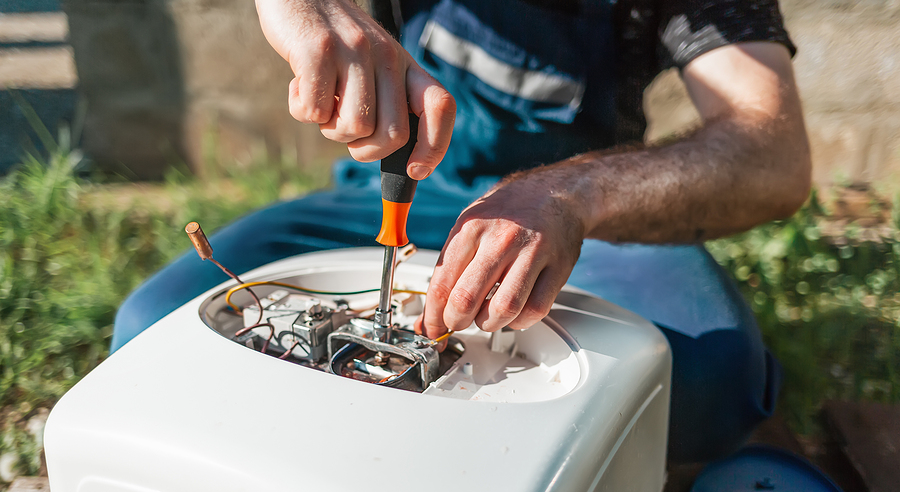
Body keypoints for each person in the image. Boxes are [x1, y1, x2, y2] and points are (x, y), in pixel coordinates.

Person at [111, 0, 811, 462]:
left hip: (579, 211)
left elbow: (771, 156)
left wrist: (572, 193)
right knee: (154, 329)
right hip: (399, 196)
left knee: (710, 376)